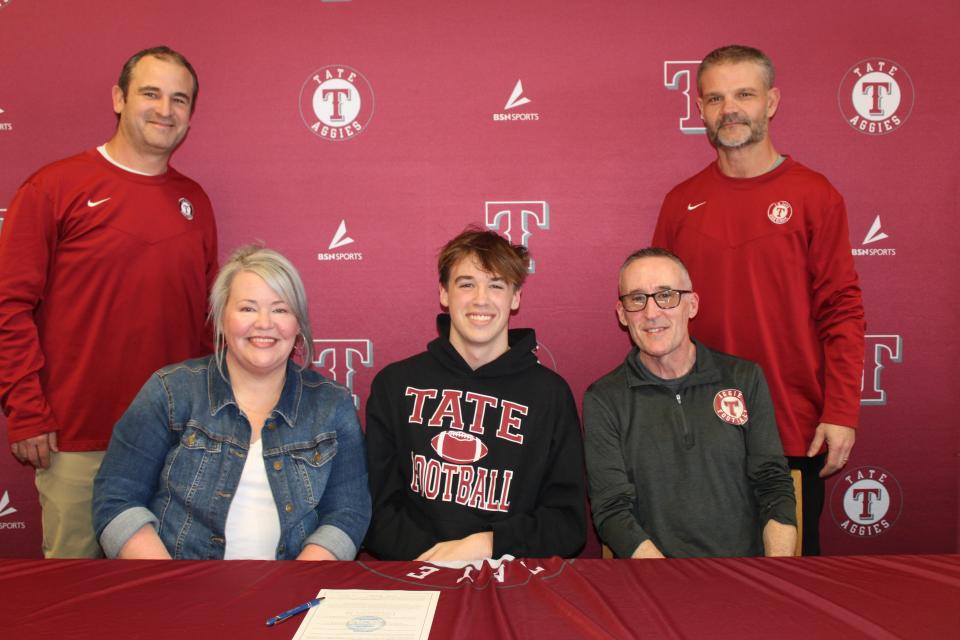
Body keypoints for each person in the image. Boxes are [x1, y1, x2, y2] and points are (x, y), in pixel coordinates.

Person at [0, 46, 218, 558]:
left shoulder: (196, 200)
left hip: (177, 440)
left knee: (169, 600)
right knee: (80, 602)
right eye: (150, 93)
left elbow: (208, 323)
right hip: (79, 438)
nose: (165, 109)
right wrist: (27, 409)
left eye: (179, 99)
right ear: (119, 98)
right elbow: (8, 307)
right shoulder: (54, 187)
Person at [652, 45, 865, 555]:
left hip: (791, 427)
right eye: (715, 98)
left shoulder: (816, 195)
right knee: (702, 588)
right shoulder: (680, 203)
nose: (730, 109)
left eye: (744, 94)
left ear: (771, 101)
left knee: (787, 595)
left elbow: (842, 309)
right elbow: (656, 313)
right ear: (700, 109)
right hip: (696, 429)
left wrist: (841, 411)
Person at [93, 246, 371, 560]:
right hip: (176, 590)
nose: (264, 323)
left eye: (280, 309)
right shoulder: (170, 391)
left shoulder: (331, 403)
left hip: (294, 593)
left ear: (298, 324)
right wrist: (167, 585)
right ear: (222, 318)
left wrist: (301, 582)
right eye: (248, 309)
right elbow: (116, 499)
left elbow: (349, 512)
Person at [364, 228, 586, 561]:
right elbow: (375, 511)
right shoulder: (395, 385)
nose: (480, 299)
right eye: (466, 284)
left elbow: (567, 524)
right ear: (444, 293)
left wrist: (489, 544)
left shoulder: (550, 395)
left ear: (515, 298)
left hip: (513, 579)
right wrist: (437, 557)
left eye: (496, 285)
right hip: (417, 572)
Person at [583, 248, 797, 558]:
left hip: (747, 576)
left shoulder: (744, 378)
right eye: (637, 299)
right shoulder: (603, 398)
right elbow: (612, 510)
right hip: (656, 580)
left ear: (692, 304)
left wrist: (775, 575)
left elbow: (773, 484)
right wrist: (669, 586)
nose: (652, 312)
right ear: (621, 313)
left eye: (666, 295)